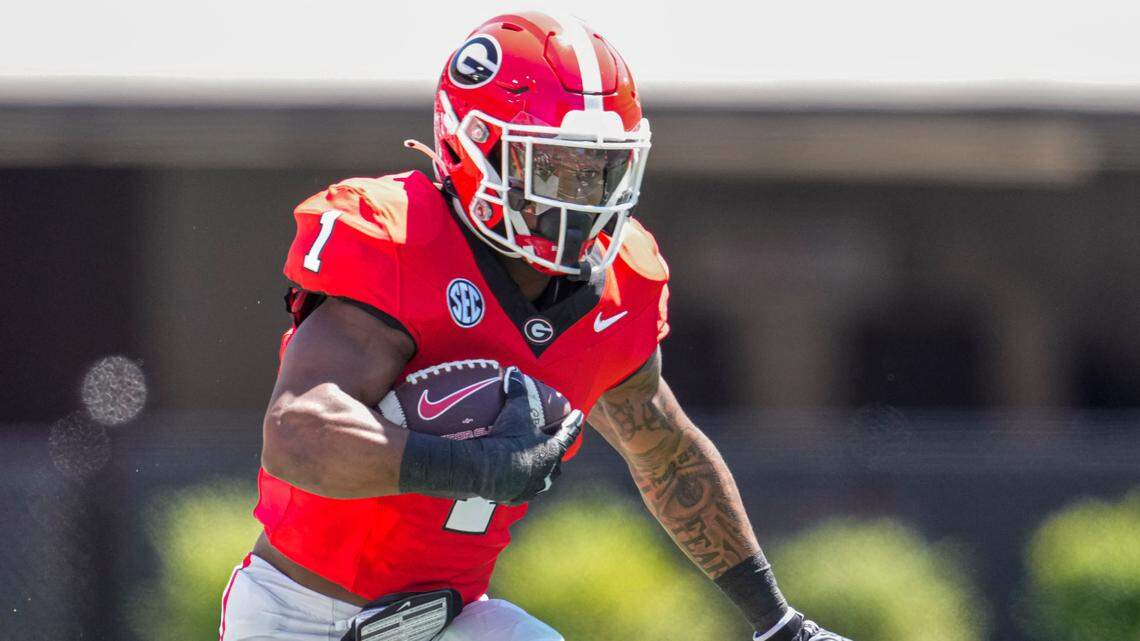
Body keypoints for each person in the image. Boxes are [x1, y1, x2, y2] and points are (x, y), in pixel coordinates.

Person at [219, 11, 850, 641]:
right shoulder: (400, 239)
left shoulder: (621, 281)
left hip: (454, 618)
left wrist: (780, 624)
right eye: (555, 167)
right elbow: (297, 433)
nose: (583, 198)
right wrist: (472, 468)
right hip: (298, 614)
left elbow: (667, 454)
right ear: (474, 146)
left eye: (601, 170)